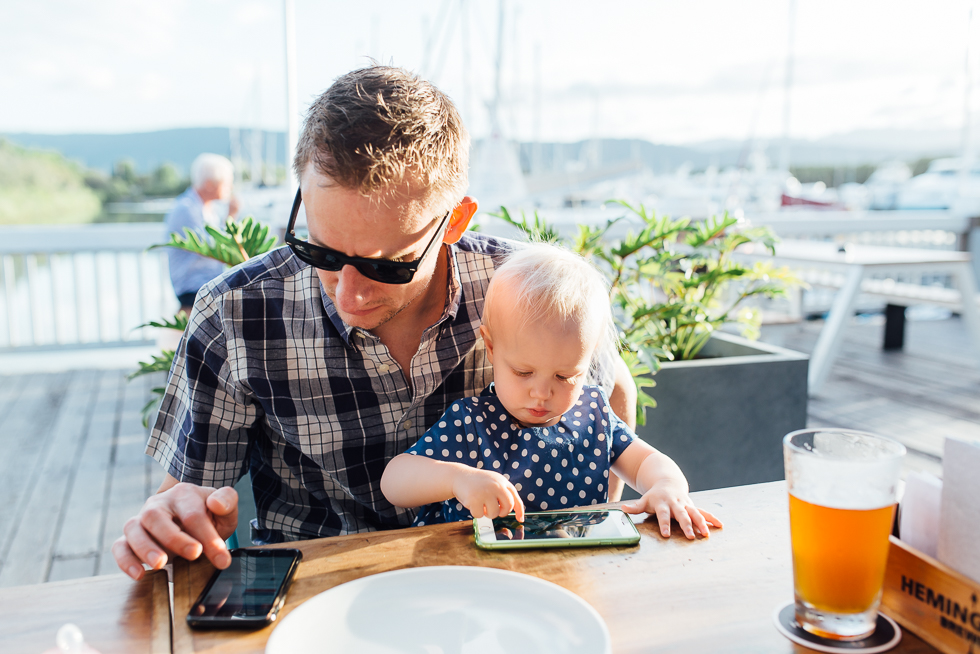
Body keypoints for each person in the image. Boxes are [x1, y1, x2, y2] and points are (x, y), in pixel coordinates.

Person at [112, 66, 638, 581]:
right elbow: (188, 496)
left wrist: (594, 514)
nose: (349, 292)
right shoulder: (237, 312)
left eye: (388, 265)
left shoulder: (527, 290)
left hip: (496, 578)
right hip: (318, 583)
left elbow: (612, 387)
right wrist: (178, 515)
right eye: (319, 249)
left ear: (456, 220)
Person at [381, 244, 722, 538]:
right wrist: (458, 480)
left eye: (565, 375)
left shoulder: (592, 415)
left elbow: (646, 461)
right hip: (477, 575)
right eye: (523, 372)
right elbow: (394, 482)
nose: (541, 393)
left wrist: (666, 487)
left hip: (568, 569)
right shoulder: (471, 423)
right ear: (491, 348)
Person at [165, 153, 239, 314]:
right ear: (209, 184)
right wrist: (231, 217)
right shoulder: (186, 209)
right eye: (226, 183)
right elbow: (212, 249)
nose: (230, 188)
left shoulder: (207, 208)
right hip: (193, 288)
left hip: (208, 283)